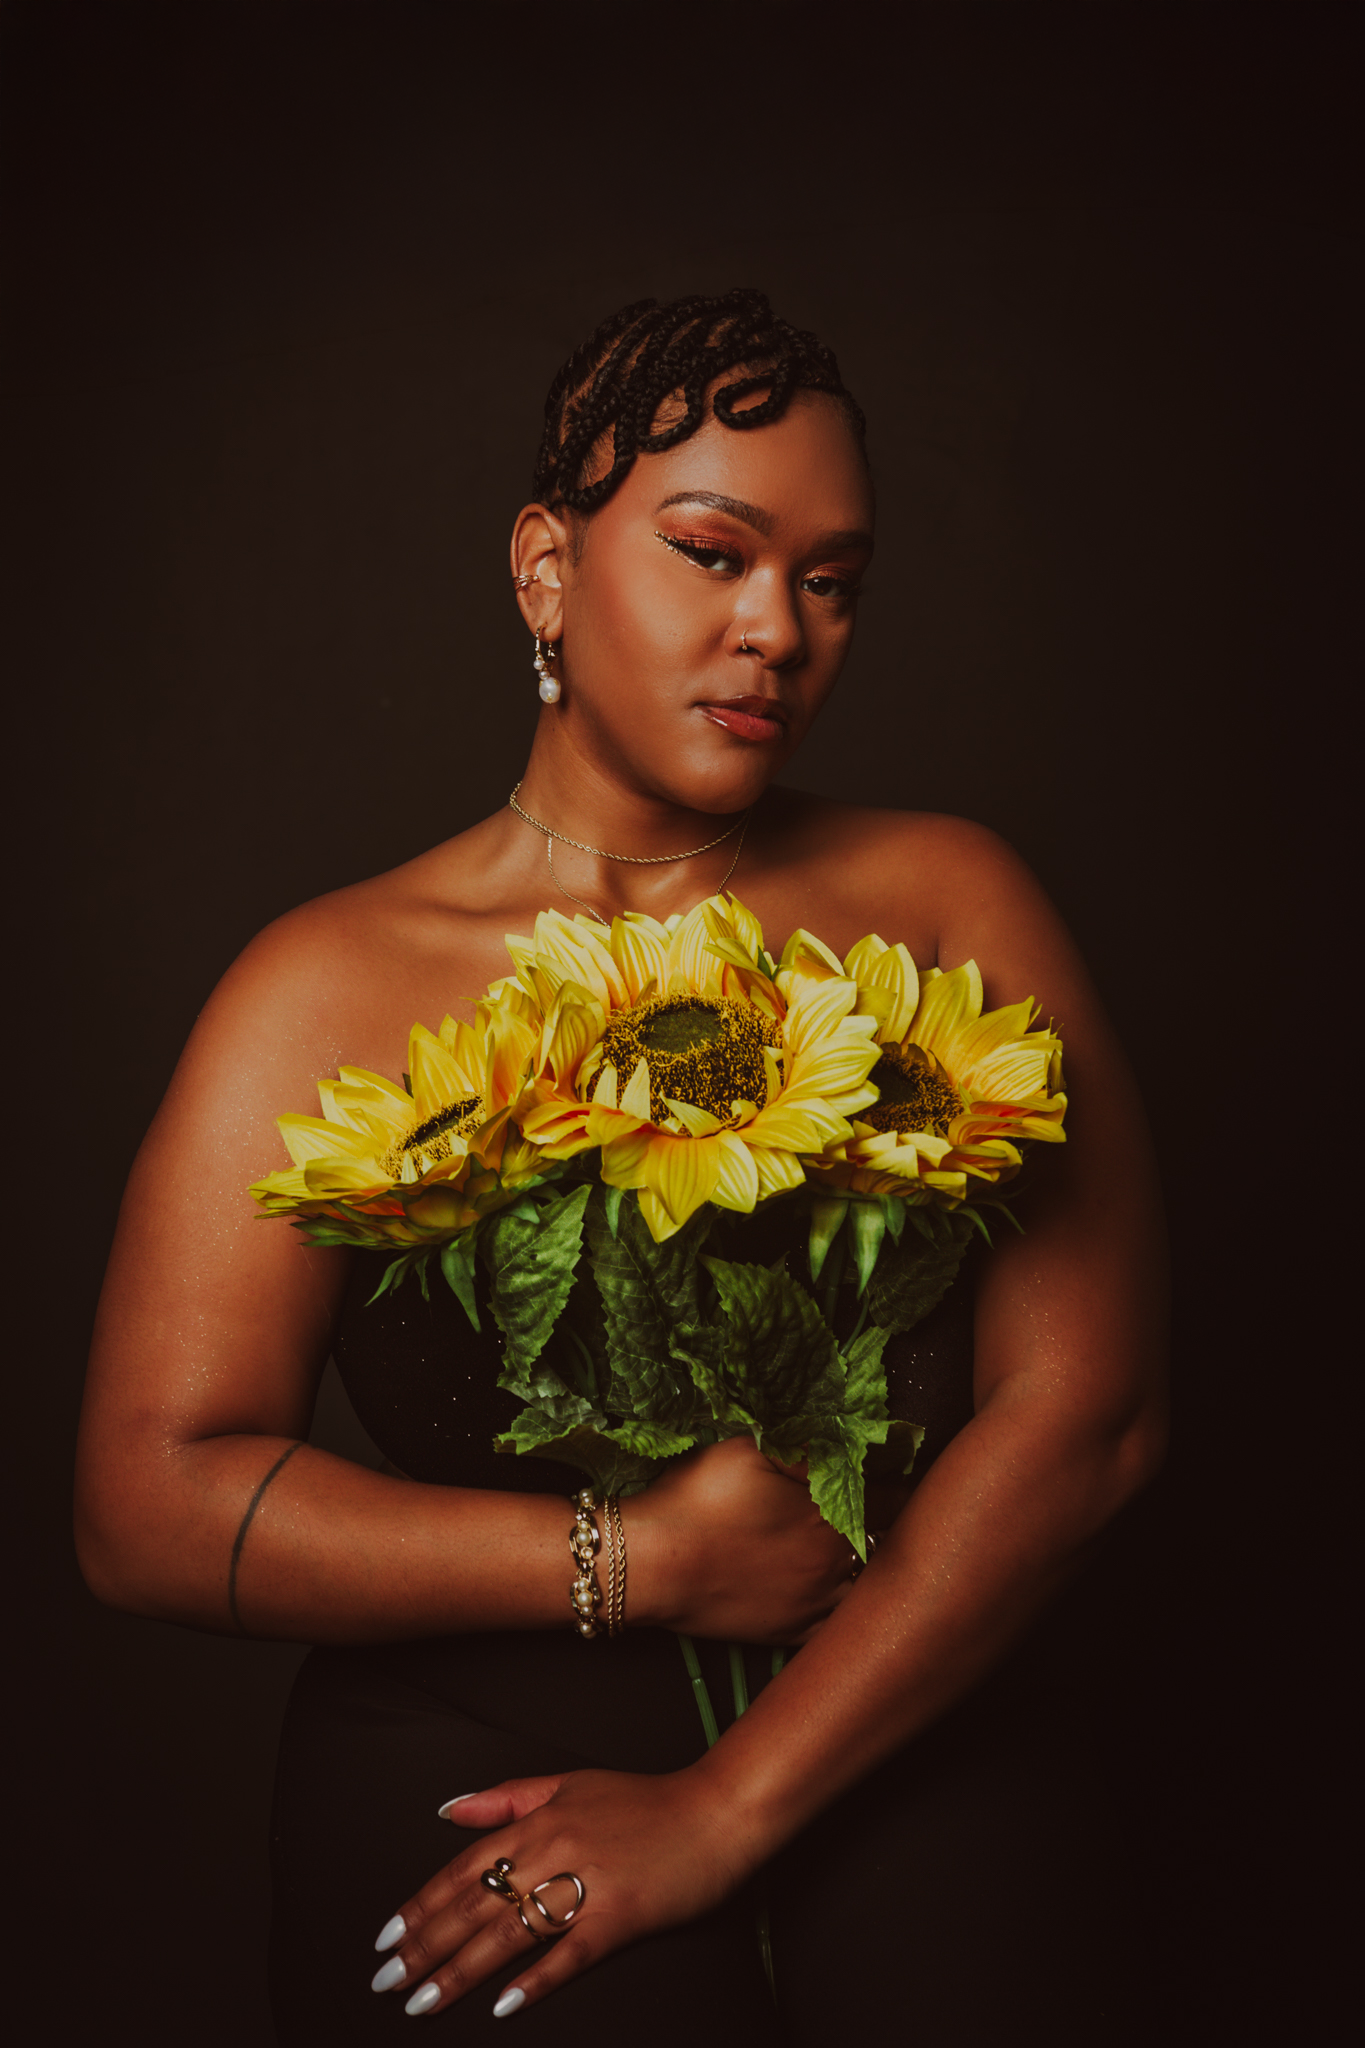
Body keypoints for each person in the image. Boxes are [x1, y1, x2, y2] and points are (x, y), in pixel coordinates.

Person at [76, 290, 1167, 2044]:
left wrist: (726, 1808)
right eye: (715, 553)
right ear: (544, 569)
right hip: (468, 1781)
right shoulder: (324, 985)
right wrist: (631, 1561)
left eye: (832, 582)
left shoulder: (950, 902)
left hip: (910, 1722)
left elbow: (1090, 1416)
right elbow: (145, 1504)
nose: (777, 632)